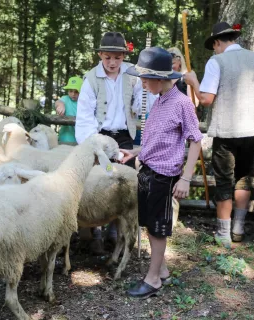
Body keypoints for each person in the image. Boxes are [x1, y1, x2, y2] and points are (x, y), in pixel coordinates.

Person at [184, 22, 254, 247]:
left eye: (214, 46)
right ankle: (238, 228)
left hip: (227, 132)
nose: (214, 50)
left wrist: (193, 81)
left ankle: (224, 235)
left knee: (224, 181)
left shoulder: (217, 61)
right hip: (252, 131)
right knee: (243, 179)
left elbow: (206, 99)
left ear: (217, 42)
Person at [119, 47, 202, 298]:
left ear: (161, 77)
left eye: (145, 78)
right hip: (146, 170)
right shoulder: (158, 101)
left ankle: (153, 279)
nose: (142, 83)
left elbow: (195, 140)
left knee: (158, 228)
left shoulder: (182, 103)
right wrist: (136, 152)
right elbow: (157, 138)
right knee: (147, 222)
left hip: (164, 176)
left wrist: (186, 178)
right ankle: (162, 270)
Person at [75, 31, 142, 254]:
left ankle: (116, 233)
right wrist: (93, 144)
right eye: (108, 57)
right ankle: (96, 234)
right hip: (99, 135)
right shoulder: (91, 79)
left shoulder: (134, 75)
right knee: (98, 183)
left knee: (121, 184)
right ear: (100, 55)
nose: (112, 63)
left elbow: (143, 101)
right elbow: (85, 115)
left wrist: (138, 105)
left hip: (124, 135)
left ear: (123, 56)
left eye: (117, 58)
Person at [55, 76, 83, 143]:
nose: (73, 94)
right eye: (70, 91)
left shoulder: (84, 101)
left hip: (80, 137)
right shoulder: (65, 99)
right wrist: (60, 105)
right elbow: (58, 102)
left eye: (76, 92)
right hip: (66, 136)